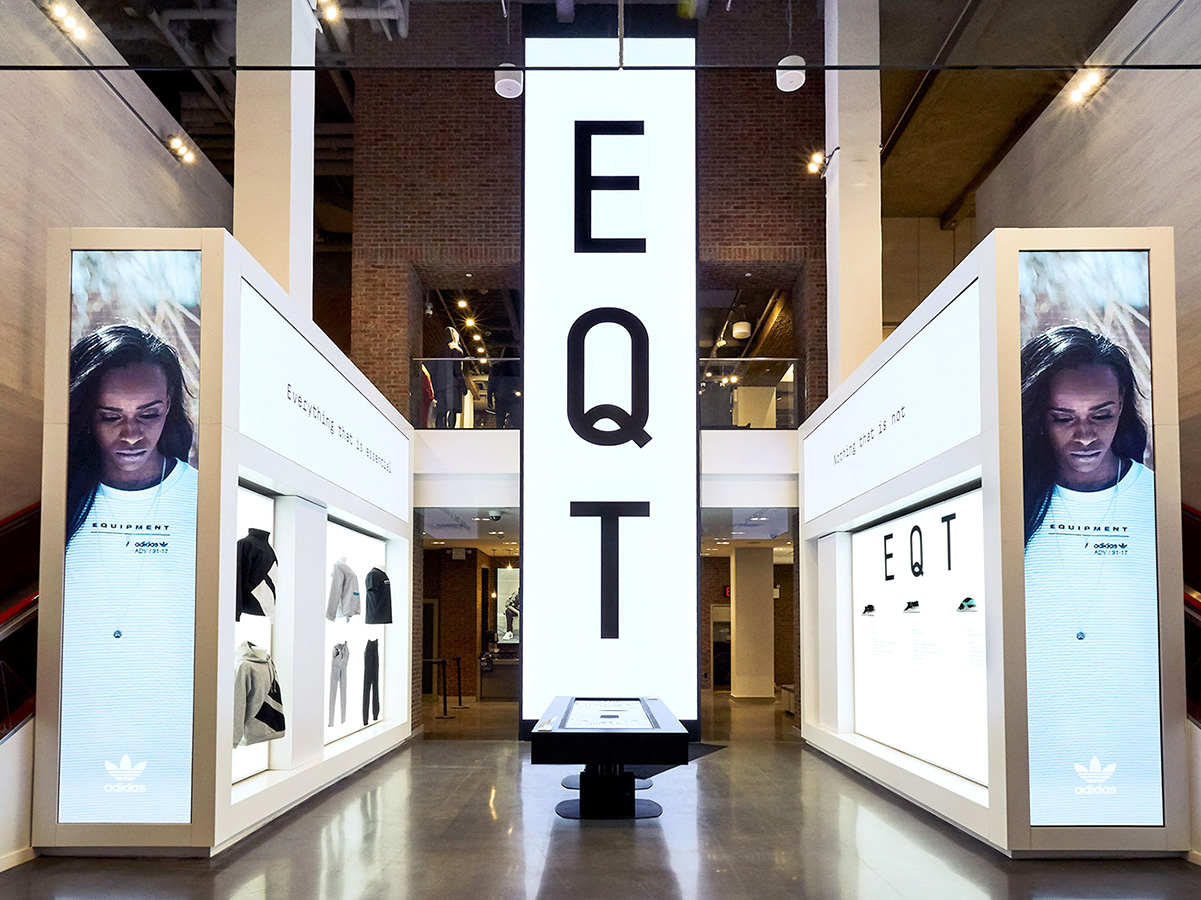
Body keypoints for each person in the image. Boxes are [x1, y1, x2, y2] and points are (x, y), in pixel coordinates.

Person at [1020, 324, 1162, 826]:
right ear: (1039, 417)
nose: (1084, 435)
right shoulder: (1012, 499)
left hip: (1131, 721)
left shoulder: (1153, 499)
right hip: (1037, 722)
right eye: (1064, 418)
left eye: (1101, 415)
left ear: (1122, 407)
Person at [57, 323, 199, 824]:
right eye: (110, 416)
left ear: (170, 410)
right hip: (74, 721)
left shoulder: (202, 498)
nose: (132, 433)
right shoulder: (58, 499)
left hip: (170, 721)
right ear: (84, 417)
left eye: (149, 414)